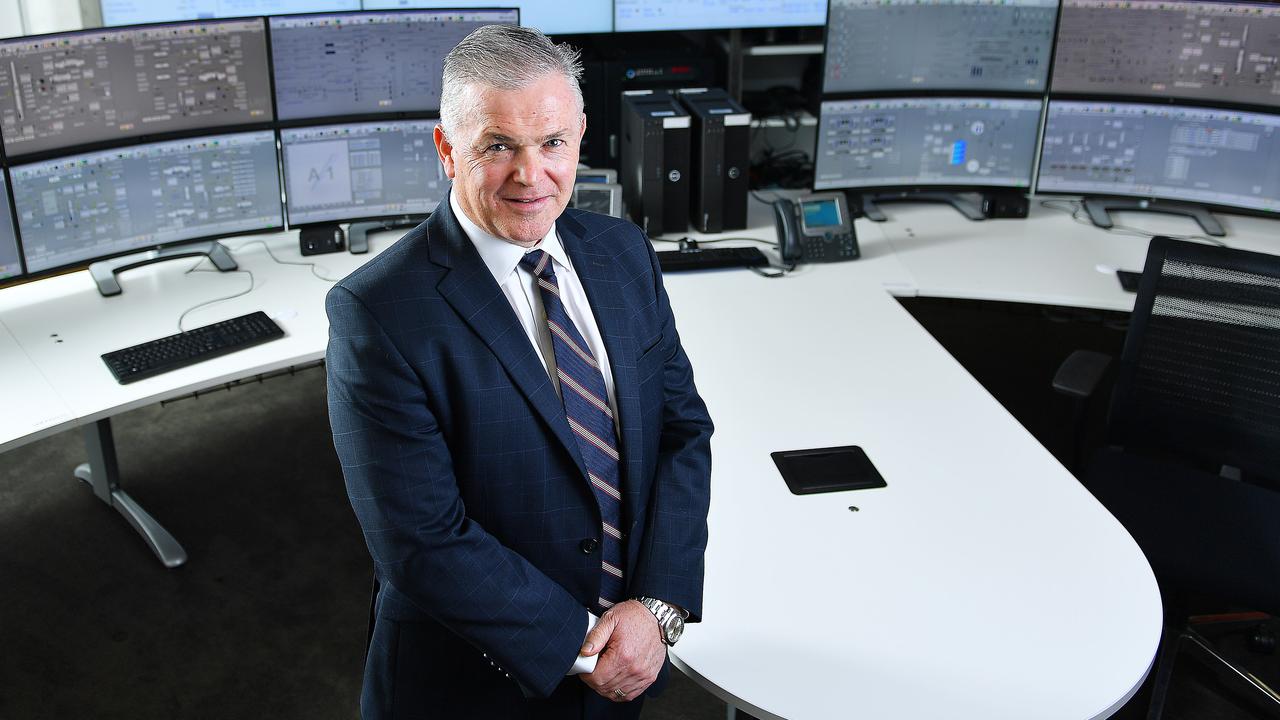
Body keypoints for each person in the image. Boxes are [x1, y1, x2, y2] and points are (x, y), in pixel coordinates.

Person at [325, 24, 714, 719]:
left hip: (628, 657)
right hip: (470, 686)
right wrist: (585, 648)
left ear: (581, 135)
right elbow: (421, 541)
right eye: (498, 145)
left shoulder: (624, 253)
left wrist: (654, 610)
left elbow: (682, 433)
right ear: (447, 150)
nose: (531, 175)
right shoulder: (378, 312)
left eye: (552, 143)